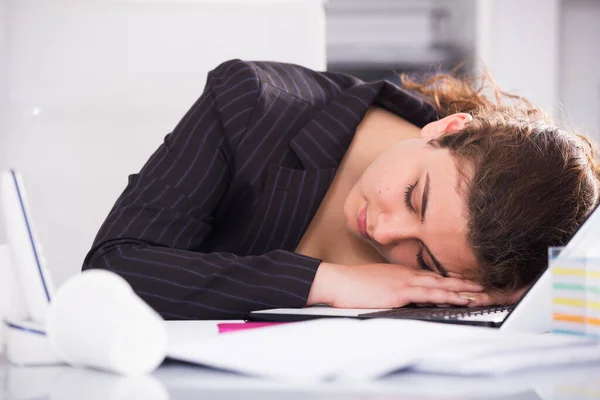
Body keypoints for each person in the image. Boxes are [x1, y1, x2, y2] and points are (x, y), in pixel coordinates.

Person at [82, 59, 600, 320]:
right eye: (412, 197)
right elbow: (113, 268)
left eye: (423, 259)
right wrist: (324, 282)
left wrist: (531, 296)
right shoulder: (250, 104)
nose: (383, 229)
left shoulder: (475, 267)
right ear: (448, 129)